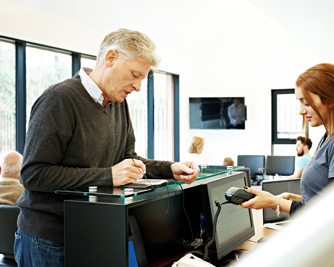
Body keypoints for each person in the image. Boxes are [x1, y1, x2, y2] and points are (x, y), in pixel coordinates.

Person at [14, 28, 200, 267]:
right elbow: (33, 174)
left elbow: (128, 160)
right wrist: (108, 175)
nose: (138, 87)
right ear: (110, 58)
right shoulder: (59, 99)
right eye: (135, 75)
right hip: (49, 240)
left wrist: (170, 168)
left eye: (142, 79)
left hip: (93, 233)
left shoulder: (118, 104)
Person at [242, 63, 334, 266]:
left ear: (329, 100)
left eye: (306, 103)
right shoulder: (329, 137)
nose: (301, 111)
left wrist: (274, 203)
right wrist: (297, 198)